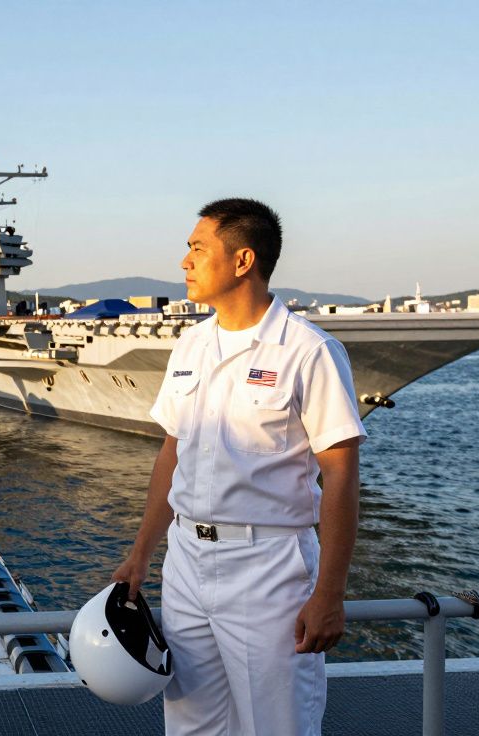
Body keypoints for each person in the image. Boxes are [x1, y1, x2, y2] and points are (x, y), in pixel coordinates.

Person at [111, 198, 365, 735]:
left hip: (267, 564)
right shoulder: (190, 344)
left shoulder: (307, 351)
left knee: (276, 725)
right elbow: (171, 455)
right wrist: (140, 554)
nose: (185, 262)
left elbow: (340, 473)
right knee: (190, 722)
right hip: (185, 560)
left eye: (198, 249)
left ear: (243, 260)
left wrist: (330, 594)